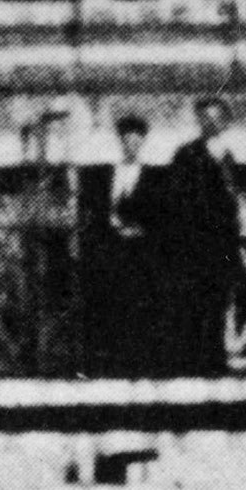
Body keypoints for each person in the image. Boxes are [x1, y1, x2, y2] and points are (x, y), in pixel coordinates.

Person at [152, 98, 246, 377]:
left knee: (219, 303)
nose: (210, 124)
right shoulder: (186, 155)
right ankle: (192, 361)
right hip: (195, 244)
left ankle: (215, 361)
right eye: (205, 118)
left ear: (226, 122)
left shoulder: (229, 156)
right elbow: (177, 200)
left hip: (224, 245)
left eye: (216, 118)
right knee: (193, 303)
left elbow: (233, 200)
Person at [75, 113, 168, 378]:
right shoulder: (105, 174)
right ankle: (109, 362)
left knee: (140, 306)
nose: (131, 146)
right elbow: (93, 211)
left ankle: (139, 362)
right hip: (111, 250)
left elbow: (161, 216)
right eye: (127, 141)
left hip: (140, 252)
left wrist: (142, 230)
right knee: (110, 305)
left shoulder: (154, 177)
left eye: (136, 141)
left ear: (143, 143)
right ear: (120, 142)